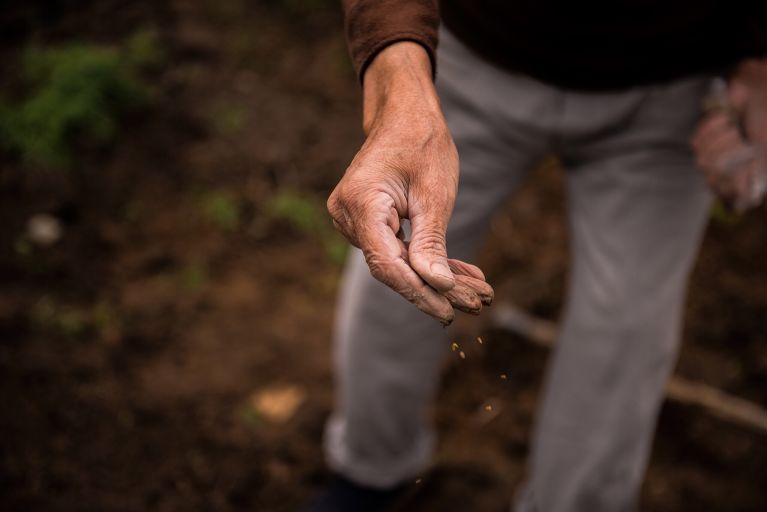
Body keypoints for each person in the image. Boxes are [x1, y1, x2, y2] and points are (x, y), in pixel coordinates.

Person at [309, 1, 767, 511]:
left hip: (671, 93)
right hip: (467, 59)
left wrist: (758, 59)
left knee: (625, 324)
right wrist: (400, 83)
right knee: (397, 265)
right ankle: (372, 470)